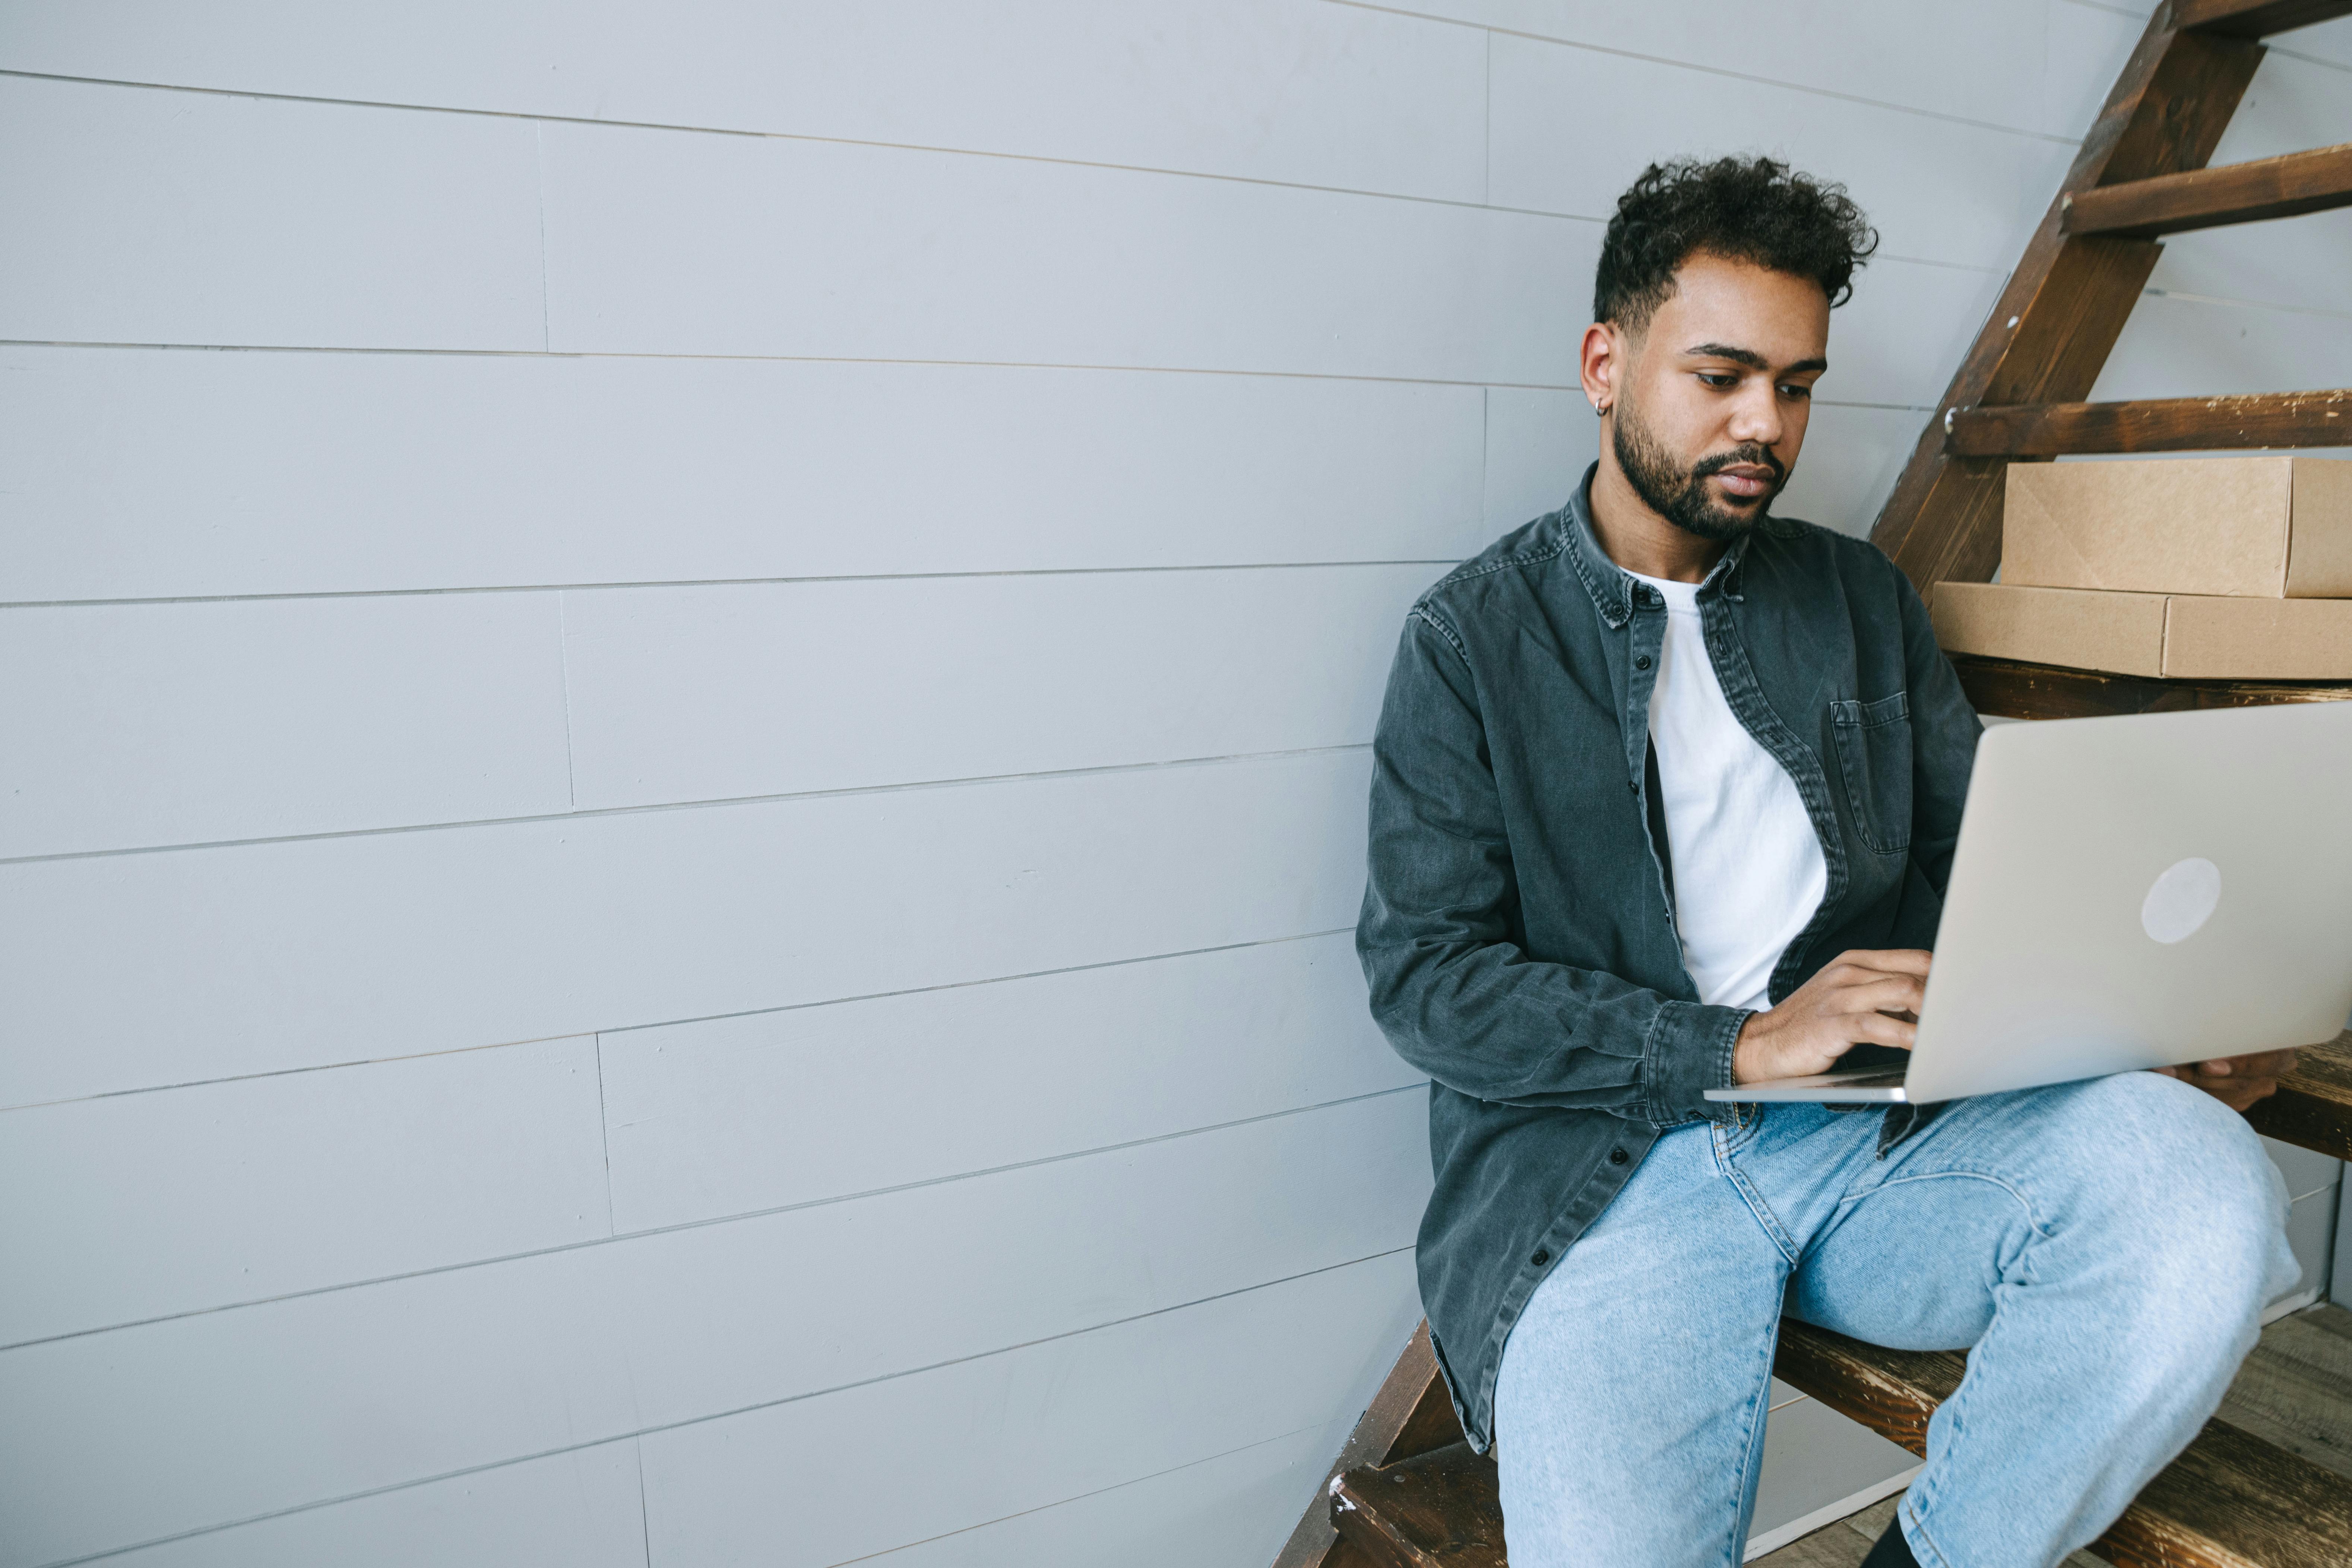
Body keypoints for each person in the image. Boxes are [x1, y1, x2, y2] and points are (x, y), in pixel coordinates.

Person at [1355, 155, 2301, 1568]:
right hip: (1607, 1179)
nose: (1765, 425)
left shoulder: (1856, 599)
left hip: (1878, 1145)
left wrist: (2149, 1020)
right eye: (1722, 376)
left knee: (2198, 1185)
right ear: (1603, 364)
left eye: (1795, 385)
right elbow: (1427, 980)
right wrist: (1740, 1039)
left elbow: (1985, 863)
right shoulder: (1471, 642)